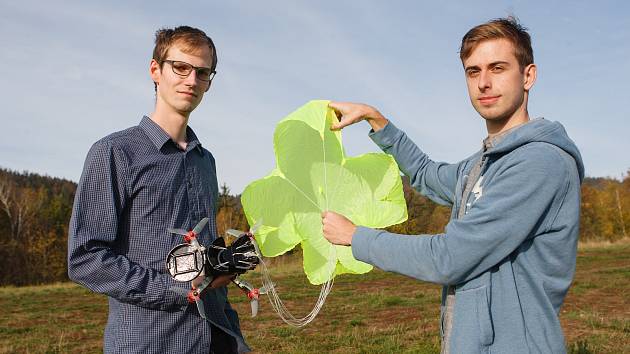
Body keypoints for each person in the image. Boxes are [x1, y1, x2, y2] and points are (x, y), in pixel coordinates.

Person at [322, 17, 584, 354]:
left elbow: (450, 258)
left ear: (528, 76)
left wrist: (356, 237)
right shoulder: (483, 164)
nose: (484, 83)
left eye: (498, 68)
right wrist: (377, 120)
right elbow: (427, 174)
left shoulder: (539, 163)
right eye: (473, 71)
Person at [68, 26, 250, 353]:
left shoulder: (204, 160)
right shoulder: (114, 153)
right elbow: (86, 258)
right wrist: (177, 289)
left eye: (203, 72)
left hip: (217, 334)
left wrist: (223, 260)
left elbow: (194, 249)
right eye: (180, 67)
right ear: (155, 70)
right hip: (151, 341)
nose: (192, 80)